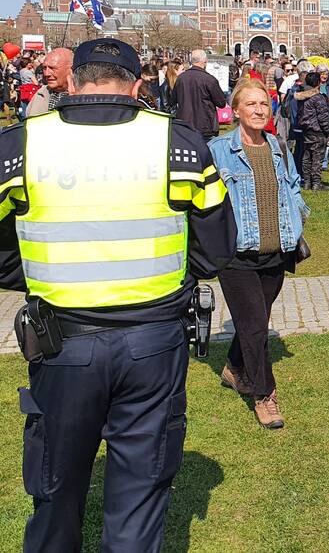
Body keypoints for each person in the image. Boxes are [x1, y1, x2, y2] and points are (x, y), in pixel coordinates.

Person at [0, 38, 236, 550]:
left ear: (73, 80)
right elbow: (217, 246)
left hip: (61, 341)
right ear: (136, 86)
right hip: (153, 341)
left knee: (55, 489)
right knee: (139, 496)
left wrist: (41, 274)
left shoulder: (20, 144)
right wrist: (168, 277)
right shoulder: (178, 142)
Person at [209, 78, 308, 429]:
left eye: (263, 103)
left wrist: (298, 217)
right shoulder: (218, 150)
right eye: (250, 104)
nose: (258, 110)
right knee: (254, 326)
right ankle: (265, 394)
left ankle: (234, 367)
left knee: (256, 322)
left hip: (276, 251)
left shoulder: (277, 147)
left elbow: (293, 185)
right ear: (235, 110)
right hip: (237, 254)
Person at [173, 49, 227, 140]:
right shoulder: (209, 79)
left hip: (186, 123)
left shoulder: (181, 78)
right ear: (205, 61)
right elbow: (221, 102)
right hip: (205, 125)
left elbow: (173, 99)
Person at [295, 72, 329, 190]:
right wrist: (328, 130)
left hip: (306, 129)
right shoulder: (318, 97)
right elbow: (323, 117)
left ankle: (307, 182)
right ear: (317, 83)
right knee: (317, 158)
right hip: (317, 130)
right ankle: (316, 183)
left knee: (306, 157)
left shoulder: (301, 96)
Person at [26, 48, 72, 117]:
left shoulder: (83, 96)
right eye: (44, 68)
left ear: (70, 69)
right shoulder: (40, 94)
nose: (46, 74)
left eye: (52, 68)